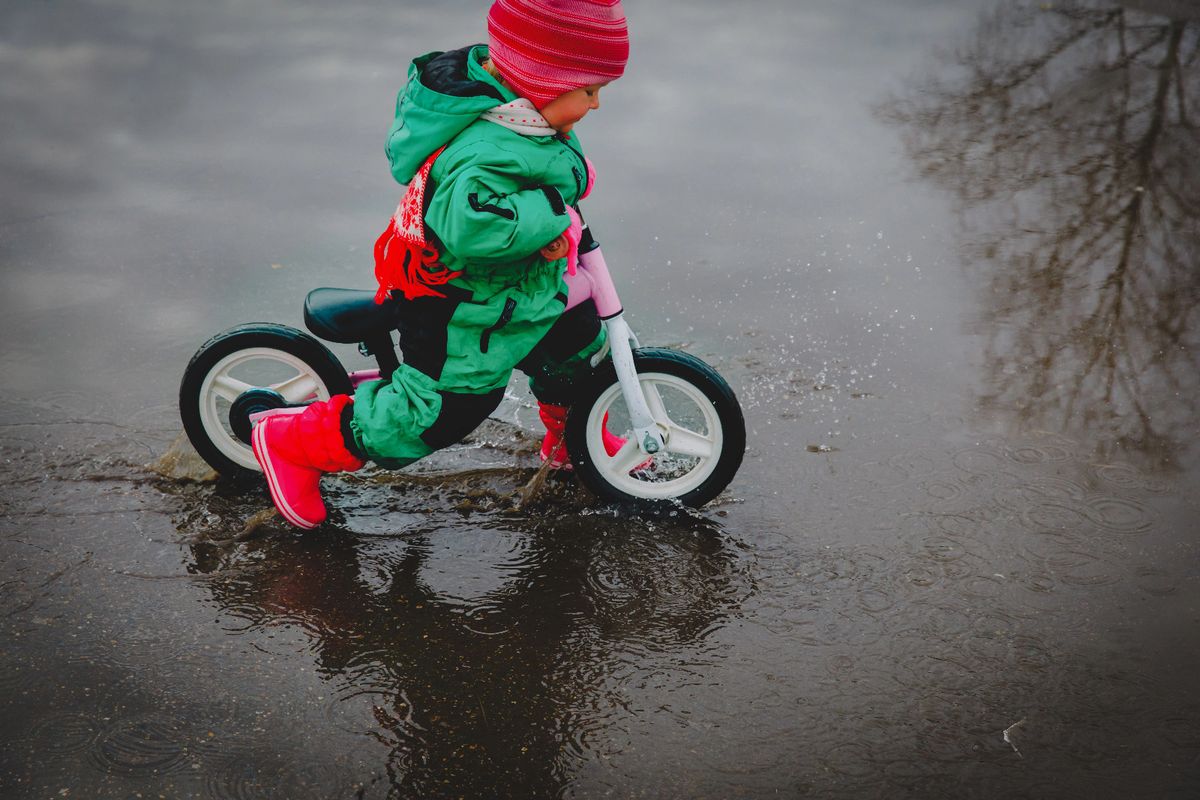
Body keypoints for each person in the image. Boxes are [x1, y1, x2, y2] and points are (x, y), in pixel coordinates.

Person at [251, 0, 630, 529]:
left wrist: (542, 229)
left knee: (571, 342)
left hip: (516, 286)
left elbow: (528, 189)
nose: (595, 105)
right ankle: (293, 442)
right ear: (539, 81)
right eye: (588, 91)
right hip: (461, 305)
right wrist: (549, 214)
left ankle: (571, 437)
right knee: (443, 409)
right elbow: (473, 226)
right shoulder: (484, 150)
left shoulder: (524, 118)